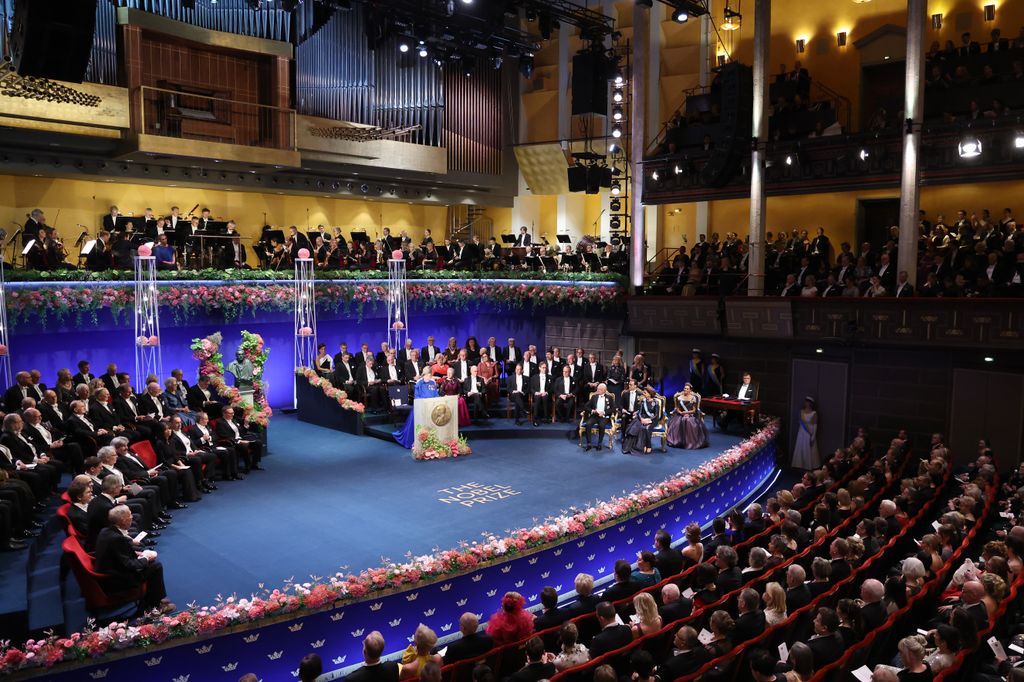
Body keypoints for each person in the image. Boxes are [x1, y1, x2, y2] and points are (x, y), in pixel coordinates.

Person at [93, 505, 174, 615]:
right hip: (116, 579)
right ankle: (153, 606)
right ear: (123, 520)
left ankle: (157, 597)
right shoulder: (117, 538)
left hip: (112, 568)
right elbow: (128, 565)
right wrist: (146, 558)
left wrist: (136, 553)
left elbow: (118, 554)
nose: (132, 517)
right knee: (155, 565)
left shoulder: (106, 530)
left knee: (151, 564)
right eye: (130, 515)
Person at [394, 369, 438, 449]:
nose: (430, 377)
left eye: (430, 375)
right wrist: (425, 402)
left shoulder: (432, 383)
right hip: (421, 407)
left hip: (432, 407)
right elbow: (417, 397)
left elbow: (436, 394)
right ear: (424, 375)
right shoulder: (419, 383)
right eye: (428, 375)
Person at [667, 383, 709, 449]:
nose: (685, 390)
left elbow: (694, 410)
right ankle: (679, 441)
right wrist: (680, 412)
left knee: (689, 421)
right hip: (680, 415)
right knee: (677, 423)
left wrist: (687, 412)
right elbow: (677, 408)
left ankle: (689, 442)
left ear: (690, 390)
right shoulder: (679, 397)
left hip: (690, 414)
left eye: (687, 389)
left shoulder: (693, 398)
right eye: (684, 388)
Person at [621, 387, 660, 455]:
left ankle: (648, 446)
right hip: (642, 418)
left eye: (645, 392)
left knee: (646, 428)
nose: (643, 394)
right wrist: (642, 419)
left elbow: (656, 415)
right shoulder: (643, 401)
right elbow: (639, 412)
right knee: (635, 427)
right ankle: (634, 446)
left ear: (649, 394)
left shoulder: (655, 402)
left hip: (652, 420)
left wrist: (648, 420)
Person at [581, 383, 614, 451]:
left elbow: (613, 409)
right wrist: (593, 411)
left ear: (604, 390)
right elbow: (586, 406)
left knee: (602, 425)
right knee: (588, 424)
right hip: (595, 415)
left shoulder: (609, 398)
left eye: (599, 389)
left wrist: (604, 412)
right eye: (598, 388)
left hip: (604, 416)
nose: (597, 390)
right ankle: (589, 444)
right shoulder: (594, 397)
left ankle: (599, 444)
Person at [793, 397, 820, 469]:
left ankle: (808, 466)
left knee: (809, 449)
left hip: (809, 433)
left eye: (807, 402)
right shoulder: (801, 411)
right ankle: (799, 465)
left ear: (810, 403)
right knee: (800, 448)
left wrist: (813, 437)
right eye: (805, 402)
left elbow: (815, 426)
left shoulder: (814, 413)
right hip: (802, 433)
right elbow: (800, 422)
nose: (806, 403)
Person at [529, 362, 551, 427]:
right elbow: (531, 388)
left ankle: (546, 417)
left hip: (545, 393)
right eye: (543, 368)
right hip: (537, 394)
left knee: (545, 397)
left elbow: (552, 388)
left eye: (545, 368)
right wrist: (535, 392)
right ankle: (535, 419)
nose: (544, 369)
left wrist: (546, 392)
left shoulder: (550, 377)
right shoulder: (534, 377)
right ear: (539, 368)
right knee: (538, 398)